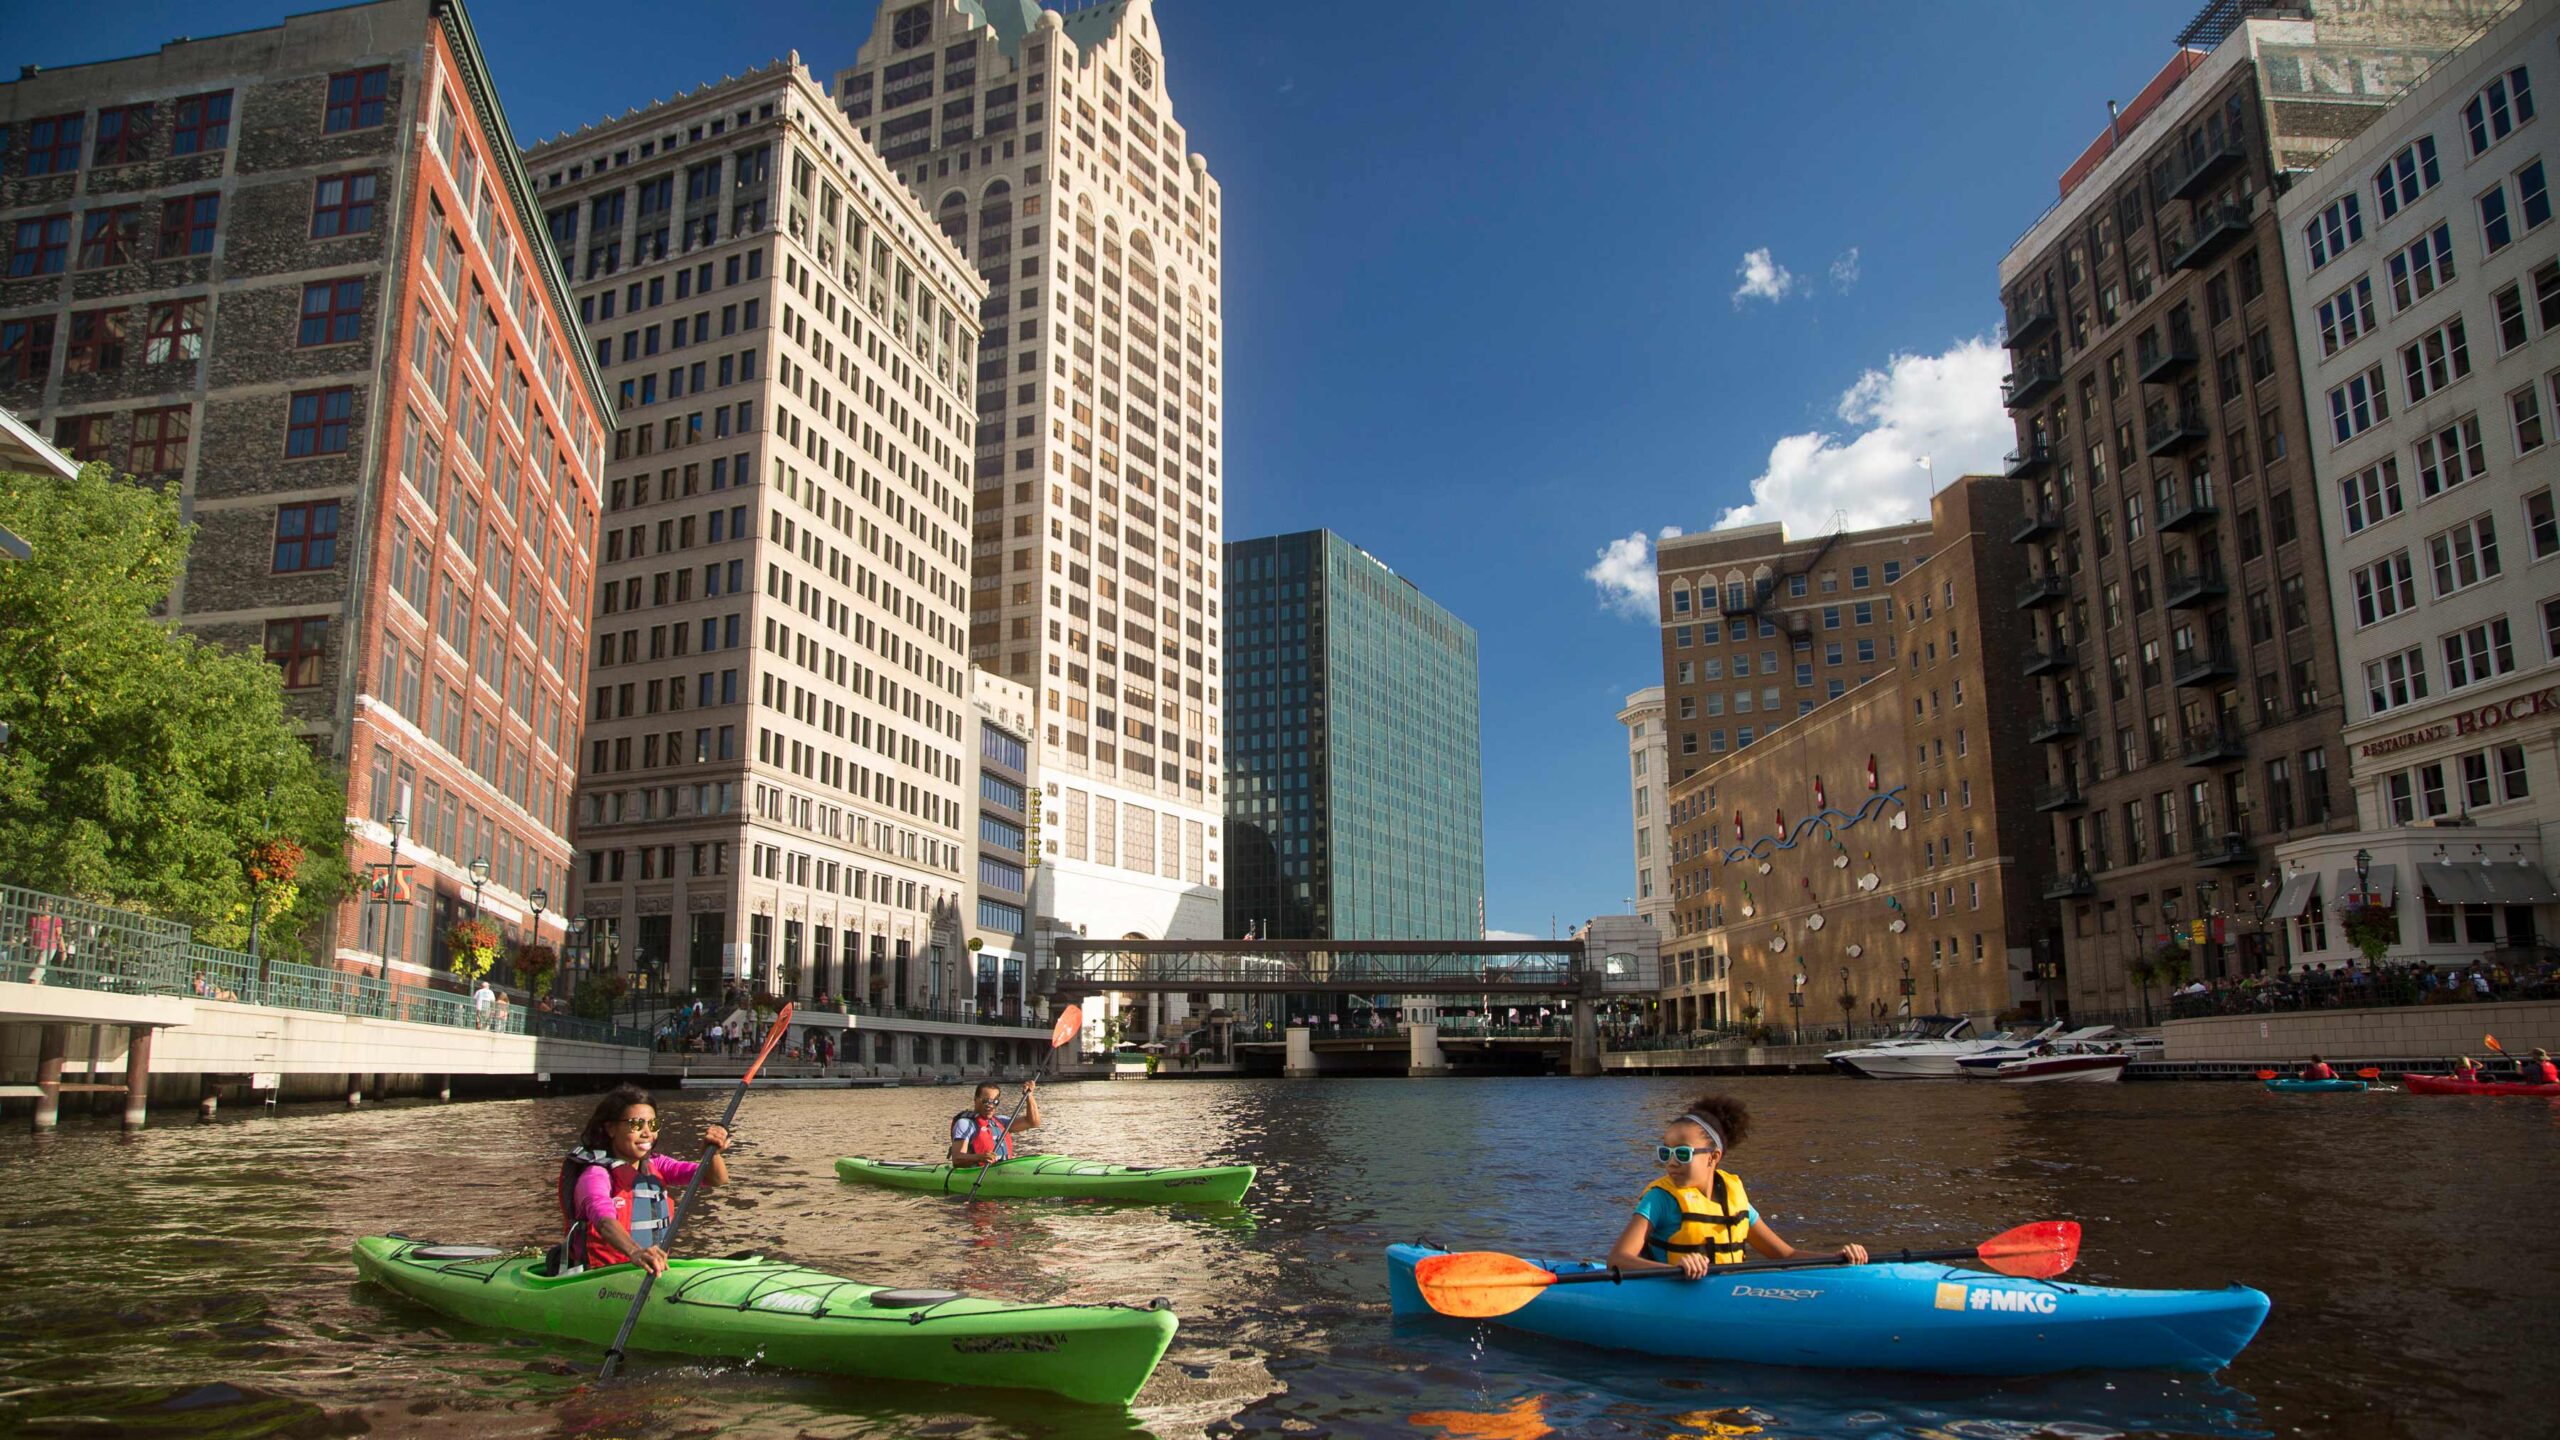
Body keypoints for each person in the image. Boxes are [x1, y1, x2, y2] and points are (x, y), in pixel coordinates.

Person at [1607, 1093, 1868, 1279]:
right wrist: (1677, 1269)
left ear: (1713, 1157)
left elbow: (1786, 1255)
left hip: (1725, 1292)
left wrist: (1838, 1259)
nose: (1671, 1163)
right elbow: (1618, 1259)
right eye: (1665, 1154)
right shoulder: (1660, 1199)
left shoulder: (1735, 1198)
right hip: (1670, 1291)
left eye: (1683, 1154)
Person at [556, 1083, 729, 1275]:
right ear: (611, 1128)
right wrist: (635, 1252)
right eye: (636, 1124)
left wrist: (713, 1154)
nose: (647, 1133)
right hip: (599, 1275)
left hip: (647, 1269)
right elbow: (604, 1221)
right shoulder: (595, 1174)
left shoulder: (658, 1164)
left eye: (653, 1125)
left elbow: (715, 1179)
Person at [949, 1078, 1040, 1168]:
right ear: (975, 1100)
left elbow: (1032, 1122)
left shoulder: (1001, 1121)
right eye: (985, 1101)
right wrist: (979, 1157)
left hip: (1003, 1172)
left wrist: (1029, 1096)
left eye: (995, 1102)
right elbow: (957, 1159)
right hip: (976, 1173)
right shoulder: (965, 1124)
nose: (990, 1106)